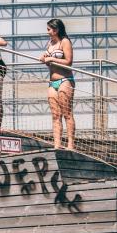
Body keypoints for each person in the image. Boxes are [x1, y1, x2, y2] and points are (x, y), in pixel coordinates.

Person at [40, 19, 76, 150]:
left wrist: (52, 59)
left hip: (65, 79)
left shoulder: (64, 41)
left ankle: (70, 144)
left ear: (56, 30)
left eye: (49, 29)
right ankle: (57, 144)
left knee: (67, 113)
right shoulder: (50, 43)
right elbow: (48, 59)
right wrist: (44, 57)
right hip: (52, 81)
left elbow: (68, 61)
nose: (47, 32)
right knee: (55, 115)